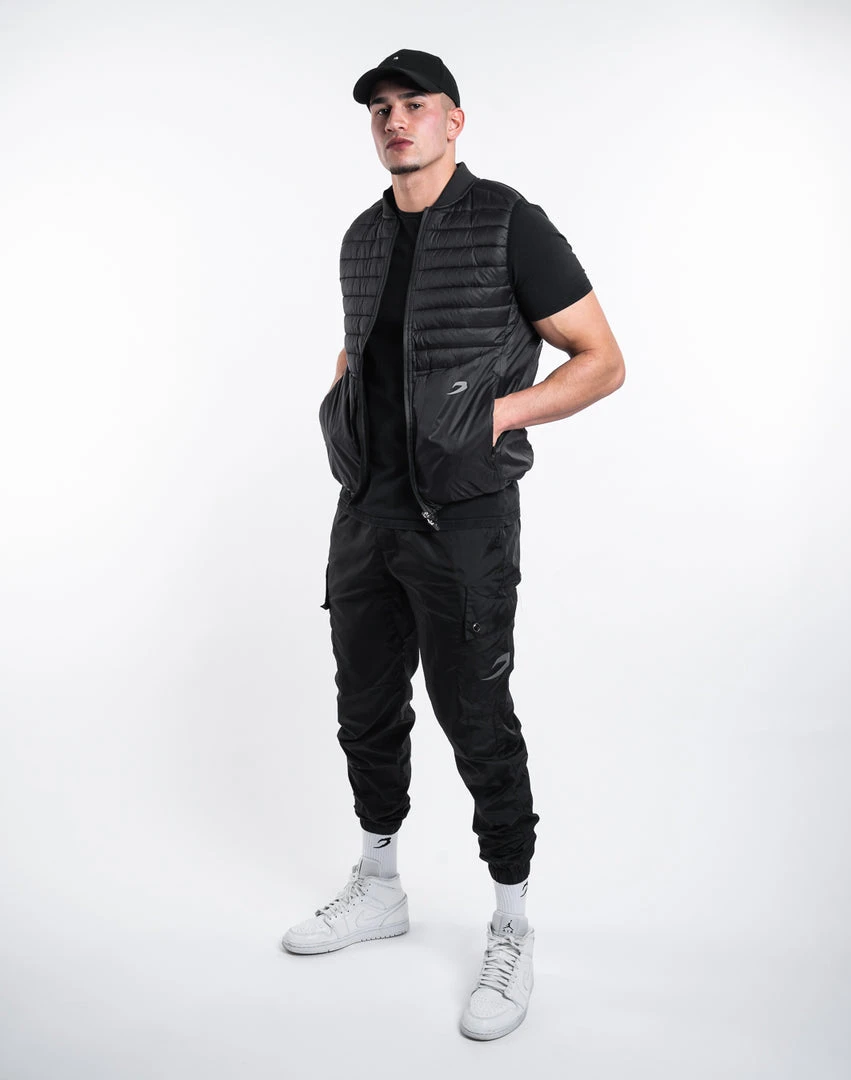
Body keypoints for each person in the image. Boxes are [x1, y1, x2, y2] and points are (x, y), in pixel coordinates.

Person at [281, 49, 625, 1041]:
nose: (396, 121)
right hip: (365, 515)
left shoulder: (510, 222)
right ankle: (380, 885)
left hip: (463, 522)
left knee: (476, 718)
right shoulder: (361, 238)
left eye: (415, 105)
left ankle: (511, 924)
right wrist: (342, 414)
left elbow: (602, 360)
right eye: (381, 110)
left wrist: (496, 415)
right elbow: (363, 350)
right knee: (364, 708)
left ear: (453, 120)